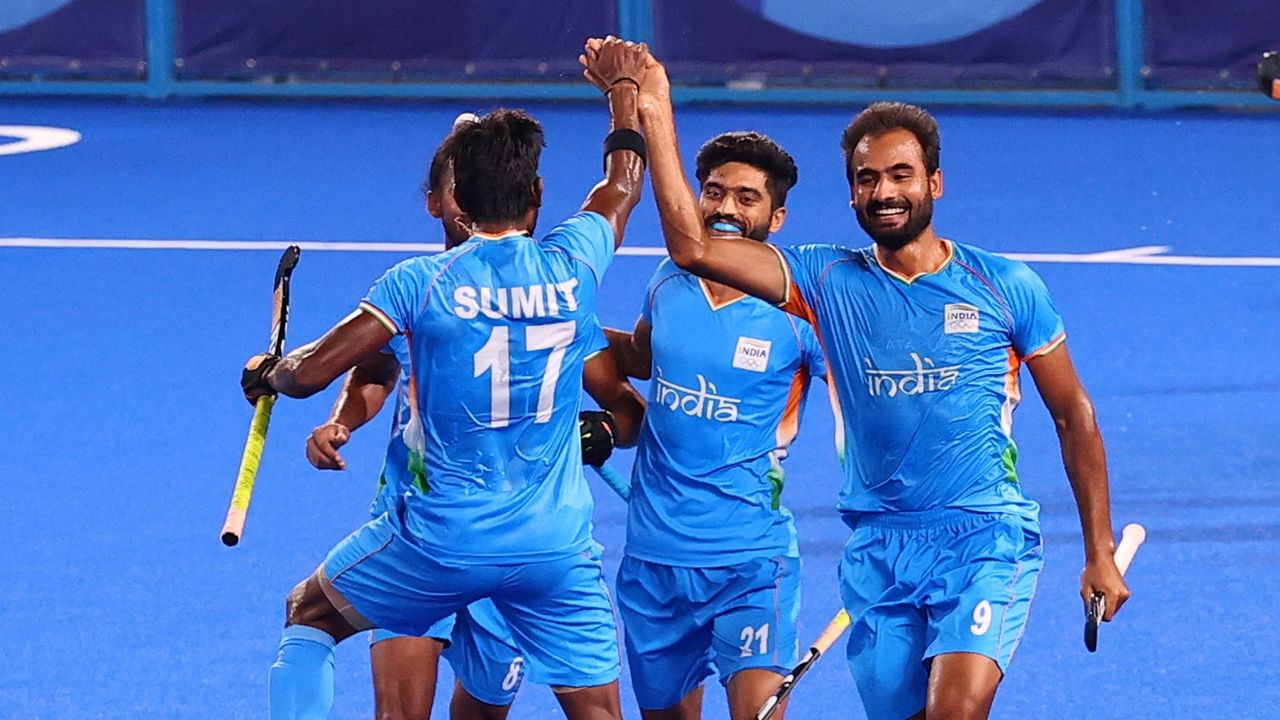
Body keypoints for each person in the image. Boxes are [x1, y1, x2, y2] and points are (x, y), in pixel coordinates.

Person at [617, 45, 1130, 720]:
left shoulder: (1005, 286)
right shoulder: (826, 282)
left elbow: (1074, 414)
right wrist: (652, 107)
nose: (883, 192)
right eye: (866, 179)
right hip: (880, 548)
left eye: (899, 175)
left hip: (983, 536)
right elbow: (692, 249)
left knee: (956, 712)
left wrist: (1099, 552)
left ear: (934, 183)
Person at [242, 37, 651, 720]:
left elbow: (310, 372)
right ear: (537, 194)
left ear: (453, 197)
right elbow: (622, 185)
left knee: (309, 611)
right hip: (554, 547)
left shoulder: (418, 283)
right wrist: (622, 89)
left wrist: (269, 373)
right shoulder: (575, 266)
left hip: (442, 540)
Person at [602, 130, 825, 720]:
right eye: (714, 192)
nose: (725, 208)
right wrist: (563, 329)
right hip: (654, 564)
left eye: (747, 198)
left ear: (776, 217)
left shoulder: (799, 311)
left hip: (751, 559)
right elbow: (642, 361)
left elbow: (867, 394)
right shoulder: (668, 282)